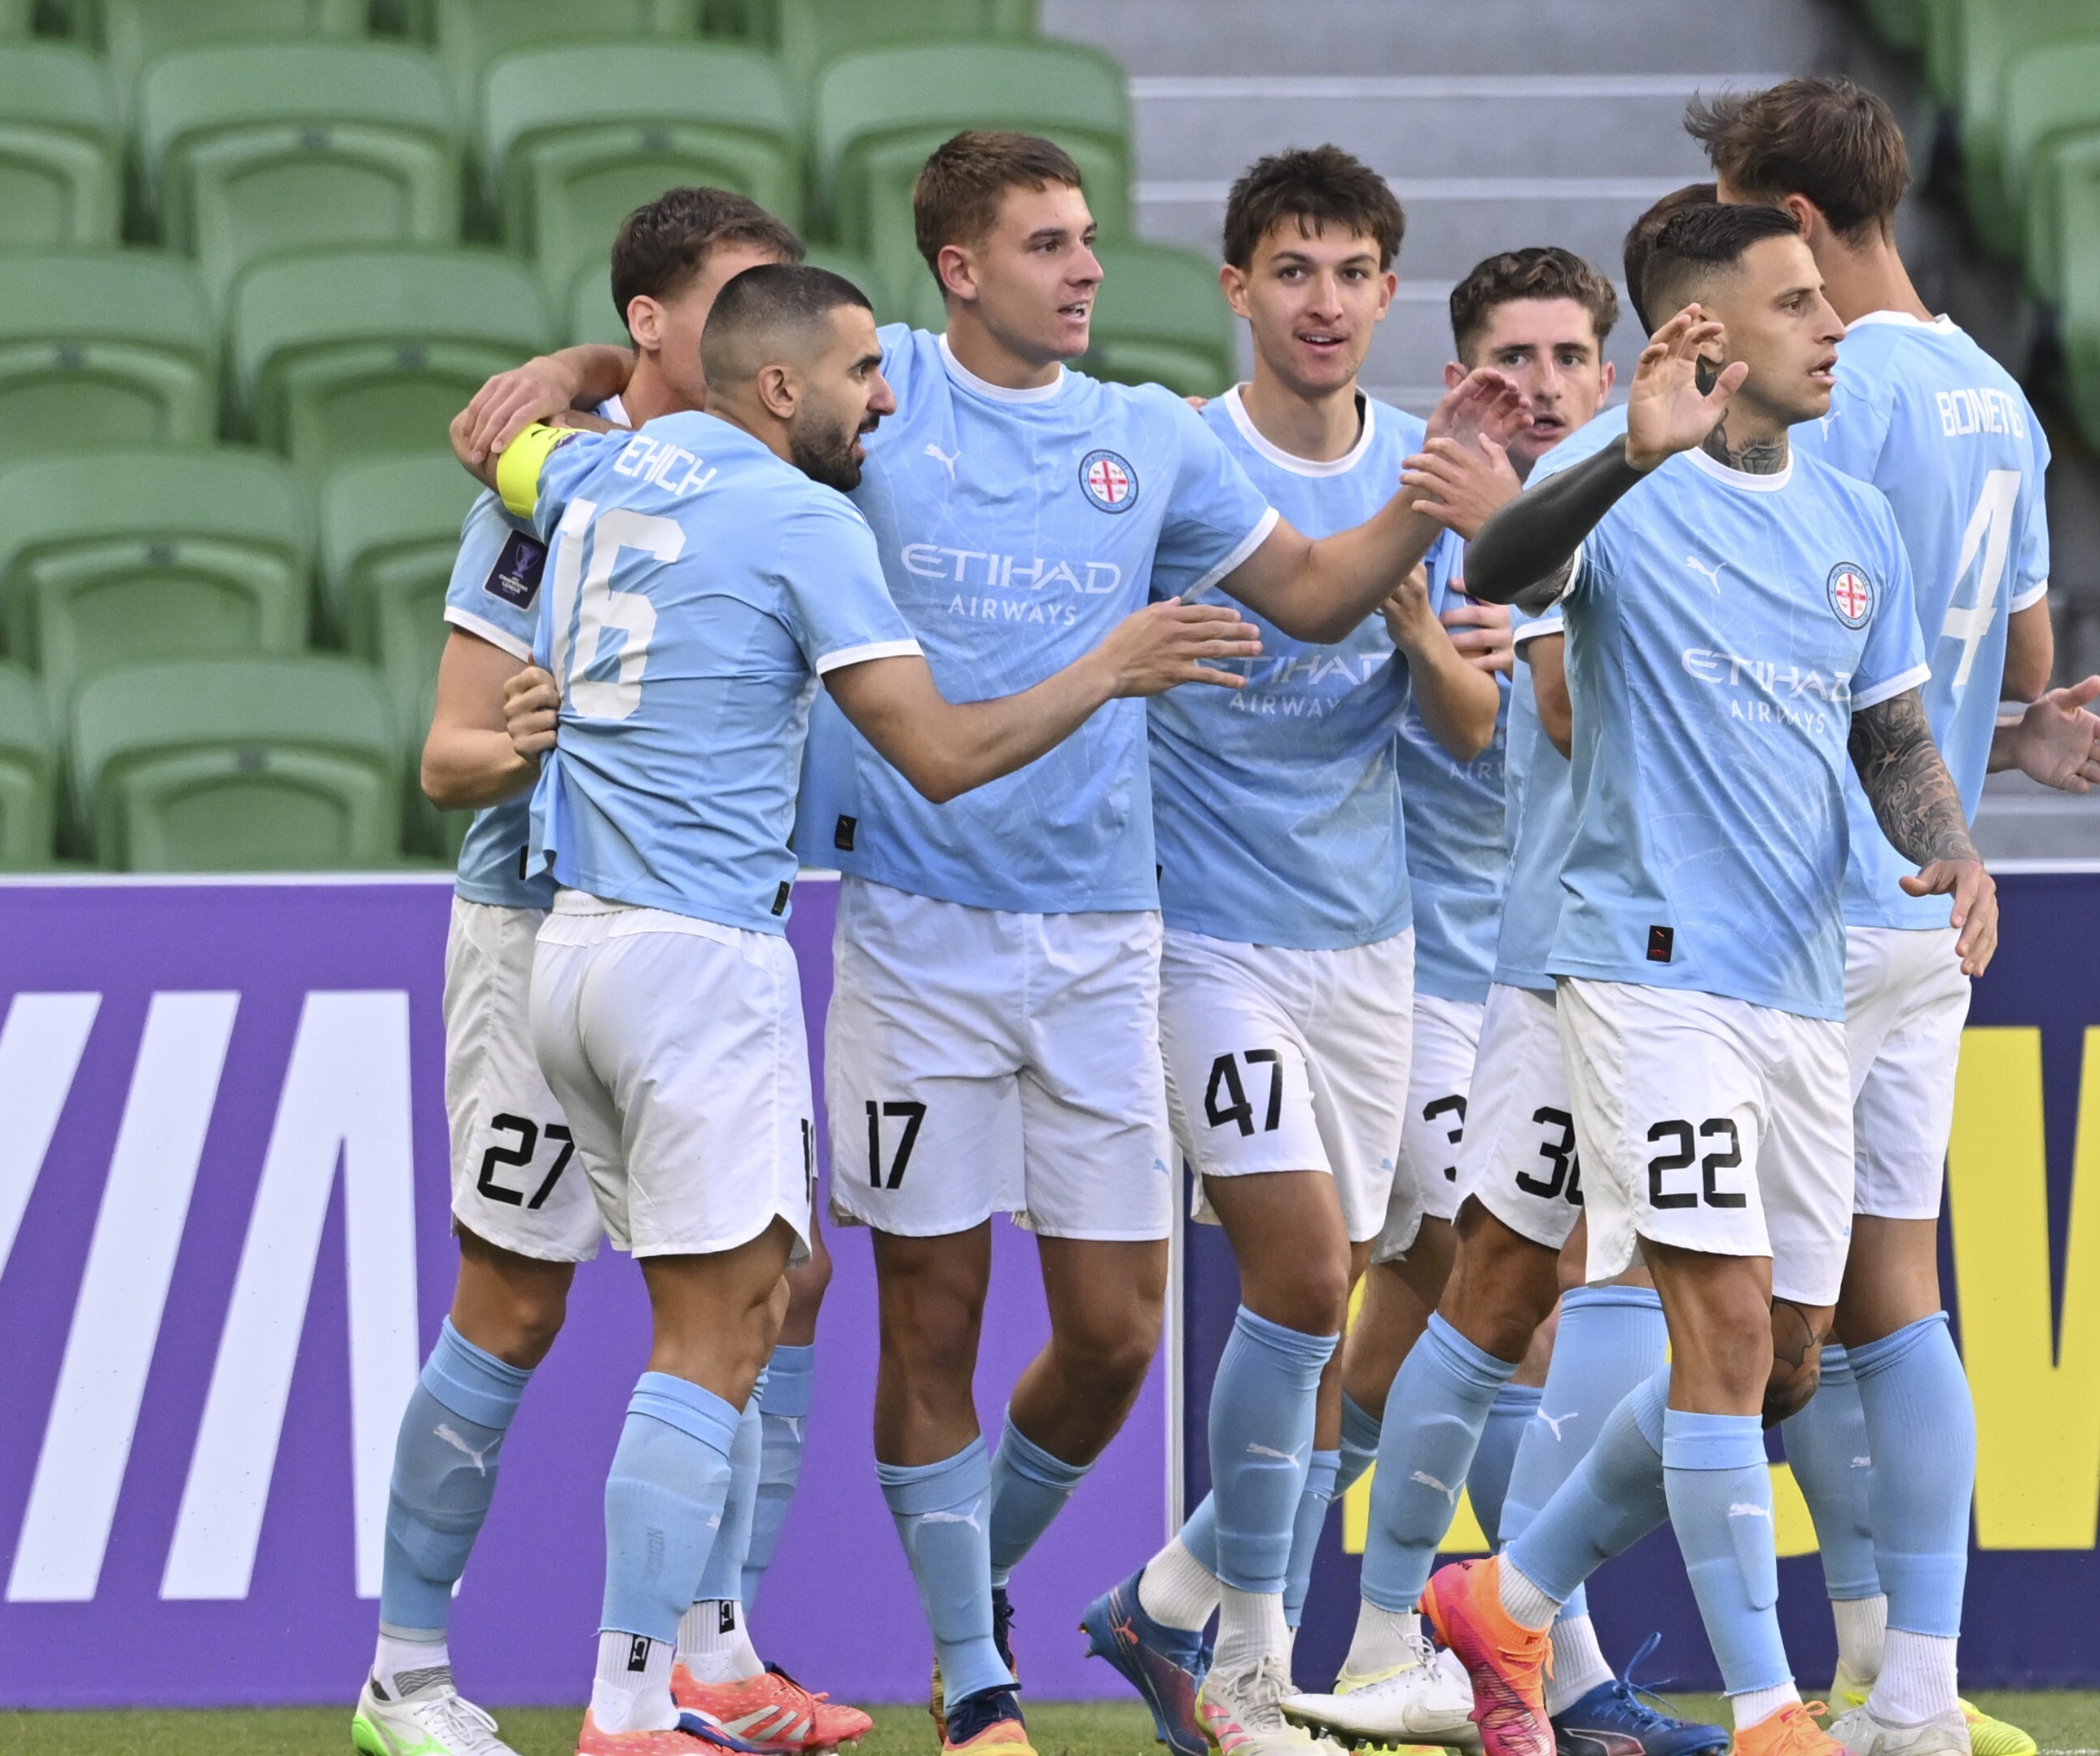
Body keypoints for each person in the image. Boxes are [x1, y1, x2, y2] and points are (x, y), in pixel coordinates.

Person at [459, 129, 1522, 1756]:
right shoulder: (867, 384)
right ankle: (975, 1682)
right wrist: (582, 364)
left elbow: (1311, 595)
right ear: (958, 272)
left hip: (1102, 938)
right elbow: (710, 355)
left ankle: (989, 1605)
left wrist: (1422, 502)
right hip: (916, 933)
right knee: (931, 1317)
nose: (1087, 267)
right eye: (1046, 244)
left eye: (1086, 238)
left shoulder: (1143, 438)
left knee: (1113, 1332)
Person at [485, 261, 1264, 1756]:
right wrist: (1110, 666)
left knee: (745, 1310)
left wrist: (582, 361)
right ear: (779, 386)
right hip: (697, 958)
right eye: (858, 375)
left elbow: (498, 443)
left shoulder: (598, 470)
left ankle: (706, 1671)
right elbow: (940, 757)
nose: (884, 401)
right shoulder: (803, 522)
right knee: (711, 1337)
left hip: (573, 945)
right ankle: (630, 1704)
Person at [1416, 199, 1996, 1756]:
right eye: (1796, 302)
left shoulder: (1850, 518)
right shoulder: (1613, 485)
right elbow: (1501, 561)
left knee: (1787, 1359)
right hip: (1647, 971)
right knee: (1724, 1330)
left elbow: (1888, 734)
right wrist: (1623, 450)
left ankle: (1507, 1598)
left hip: (1801, 981)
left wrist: (1951, 847)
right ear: (1706, 330)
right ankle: (1766, 1711)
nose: (1833, 325)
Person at [375, 187, 862, 1756]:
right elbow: (448, 752)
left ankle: (711, 1659)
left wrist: (585, 362)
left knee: (774, 1282)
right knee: (513, 1304)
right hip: (540, 932)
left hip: (697, 937)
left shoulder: (765, 471)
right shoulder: (549, 495)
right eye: (732, 295)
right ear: (661, 323)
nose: (763, 322)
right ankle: (405, 1674)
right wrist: (519, 745)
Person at [1692, 78, 2100, 1756]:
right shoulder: (1994, 394)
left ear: (1794, 222)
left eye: (1739, 218)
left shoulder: (1832, 380)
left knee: (1761, 1317)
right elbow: (2022, 658)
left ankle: (1530, 1616)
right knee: (1903, 1302)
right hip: (1929, 898)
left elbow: (1783, 627)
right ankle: (1912, 1682)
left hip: (1795, 902)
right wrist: (2008, 735)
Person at [1077, 145, 1506, 1756]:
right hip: (1210, 942)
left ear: (1386, 294)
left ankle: (1173, 1595)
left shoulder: (1424, 470)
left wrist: (1428, 634)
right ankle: (1251, 1670)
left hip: (1372, 948)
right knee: (1306, 1277)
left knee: (1392, 1283)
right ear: (1237, 288)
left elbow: (1472, 731)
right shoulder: (1183, 461)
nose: (1321, 302)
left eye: (1349, 275)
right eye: (1291, 272)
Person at [1285, 244, 1719, 1756]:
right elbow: (1526, 717)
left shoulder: (1639, 497)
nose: (1540, 386)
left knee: (1460, 1323)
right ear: (1462, 370)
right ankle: (1450, 1648)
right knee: (1514, 1316)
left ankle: (1284, 1619)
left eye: (1565, 357)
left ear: (1610, 368)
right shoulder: (1476, 519)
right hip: (1479, 972)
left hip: (1575, 960)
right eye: (1509, 358)